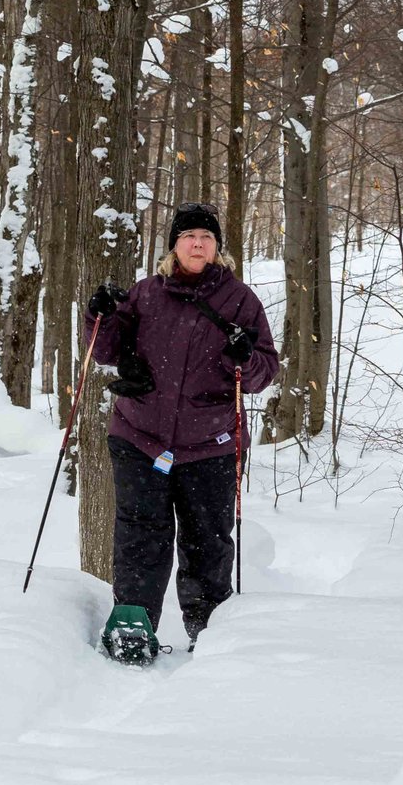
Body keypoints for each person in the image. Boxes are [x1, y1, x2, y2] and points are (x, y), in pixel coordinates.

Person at [85, 202, 278, 665]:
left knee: (207, 541)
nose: (197, 244)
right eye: (189, 236)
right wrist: (98, 316)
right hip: (139, 436)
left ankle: (210, 631)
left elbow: (263, 374)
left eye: (206, 237)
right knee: (140, 533)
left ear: (217, 248)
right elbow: (104, 351)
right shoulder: (146, 294)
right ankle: (132, 623)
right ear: (174, 245)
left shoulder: (240, 301)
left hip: (210, 444)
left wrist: (246, 356)